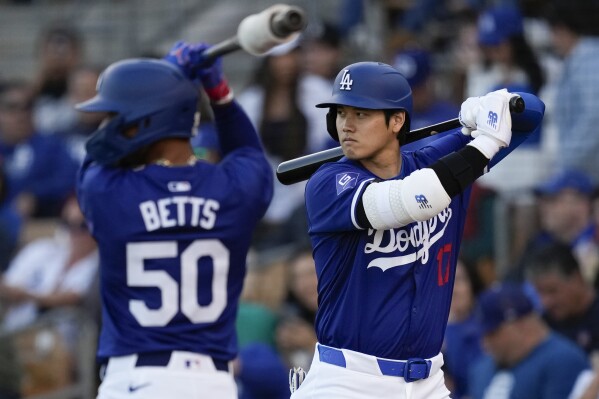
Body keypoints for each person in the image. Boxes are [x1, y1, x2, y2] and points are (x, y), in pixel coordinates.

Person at [290, 61, 544, 398]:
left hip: (428, 381)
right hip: (349, 380)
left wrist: (488, 107)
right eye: (340, 113)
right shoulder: (330, 182)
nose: (346, 126)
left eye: (361, 114)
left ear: (396, 121)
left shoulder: (433, 160)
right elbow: (415, 198)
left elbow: (532, 113)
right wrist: (482, 144)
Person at [74, 42, 273, 399]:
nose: (109, 126)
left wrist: (164, 78)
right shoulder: (232, 189)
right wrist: (220, 94)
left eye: (117, 118)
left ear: (148, 120)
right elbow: (248, 153)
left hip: (136, 380)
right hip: (214, 384)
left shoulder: (109, 192)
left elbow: (97, 153)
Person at [468, 282, 589, 399]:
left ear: (523, 325)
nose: (485, 342)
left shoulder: (563, 360)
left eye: (492, 333)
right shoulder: (481, 369)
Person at [0, 195, 98, 332]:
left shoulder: (98, 265)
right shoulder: (42, 249)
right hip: (14, 332)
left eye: (83, 226)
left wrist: (26, 296)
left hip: (62, 343)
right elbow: (8, 284)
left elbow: (72, 298)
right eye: (68, 224)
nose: (74, 233)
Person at [543, 0, 599, 184]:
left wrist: (566, 165)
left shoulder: (590, 61)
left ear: (563, 29)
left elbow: (594, 118)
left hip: (586, 173)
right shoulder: (578, 61)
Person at [524, 241, 599, 356]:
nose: (546, 302)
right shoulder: (544, 326)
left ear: (576, 279)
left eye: (552, 291)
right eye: (540, 293)